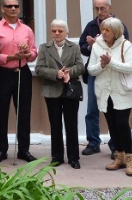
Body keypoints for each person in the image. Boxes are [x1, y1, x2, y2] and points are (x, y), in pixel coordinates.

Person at [79, 0, 129, 159]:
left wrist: (100, 46)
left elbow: (124, 46)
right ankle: (93, 143)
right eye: (96, 8)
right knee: (92, 109)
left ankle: (116, 147)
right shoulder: (91, 25)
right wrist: (91, 47)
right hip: (96, 71)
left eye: (102, 8)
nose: (99, 11)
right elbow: (82, 47)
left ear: (110, 8)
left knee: (114, 110)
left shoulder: (119, 25)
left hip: (114, 73)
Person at [87, 17, 132, 177]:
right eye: (102, 29)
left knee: (122, 124)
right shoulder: (97, 46)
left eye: (107, 30)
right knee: (112, 125)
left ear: (116, 32)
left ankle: (129, 159)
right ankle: (119, 157)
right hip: (104, 92)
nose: (103, 32)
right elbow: (91, 70)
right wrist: (102, 64)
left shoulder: (125, 45)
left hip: (122, 92)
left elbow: (131, 67)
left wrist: (110, 62)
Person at [0, 0, 38, 163]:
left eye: (16, 6)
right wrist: (11, 57)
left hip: (22, 73)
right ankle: (2, 150)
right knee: (1, 113)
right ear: (3, 9)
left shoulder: (27, 30)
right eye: (9, 6)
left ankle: (24, 150)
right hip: (2, 74)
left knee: (24, 113)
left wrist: (27, 53)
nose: (13, 8)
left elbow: (34, 53)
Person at [35, 19, 84, 169]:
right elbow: (39, 68)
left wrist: (69, 72)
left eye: (60, 31)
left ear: (66, 32)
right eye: (54, 30)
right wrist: (56, 73)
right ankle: (56, 157)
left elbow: (80, 66)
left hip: (70, 90)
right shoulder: (44, 48)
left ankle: (74, 158)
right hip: (51, 91)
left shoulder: (74, 47)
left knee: (71, 124)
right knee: (55, 125)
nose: (57, 33)